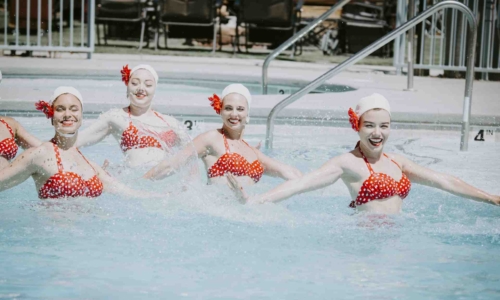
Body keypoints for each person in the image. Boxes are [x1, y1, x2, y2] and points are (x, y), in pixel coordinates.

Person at [228, 93, 500, 214]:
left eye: (384, 126)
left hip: (398, 235)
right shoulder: (347, 162)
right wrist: (256, 200)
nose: (377, 133)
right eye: (369, 125)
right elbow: (302, 184)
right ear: (356, 126)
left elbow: (445, 181)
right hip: (366, 239)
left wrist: (490, 198)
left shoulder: (398, 162)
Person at [0, 86, 157, 199]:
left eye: (74, 109)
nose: (68, 114)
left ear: (81, 116)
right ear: (51, 116)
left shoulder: (89, 164)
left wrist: (168, 195)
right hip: (54, 237)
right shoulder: (40, 154)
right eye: (61, 109)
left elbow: (130, 193)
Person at [144, 84, 302, 186]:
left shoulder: (253, 153)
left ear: (247, 113)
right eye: (228, 108)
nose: (234, 114)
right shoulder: (211, 139)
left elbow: (288, 172)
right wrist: (139, 185)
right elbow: (171, 164)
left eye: (240, 109)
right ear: (220, 111)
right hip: (215, 216)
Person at [76, 64, 187, 167]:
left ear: (154, 89)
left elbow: (194, 153)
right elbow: (77, 142)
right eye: (134, 83)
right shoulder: (116, 117)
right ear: (127, 87)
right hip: (137, 181)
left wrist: (188, 183)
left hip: (166, 184)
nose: (141, 88)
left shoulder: (170, 122)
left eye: (148, 84)